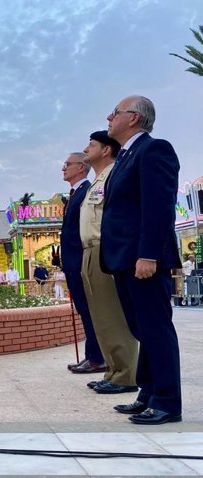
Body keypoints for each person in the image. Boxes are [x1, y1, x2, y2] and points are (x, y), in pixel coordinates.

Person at [102, 95, 182, 424]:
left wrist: (148, 254)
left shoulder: (153, 150)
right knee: (143, 330)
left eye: (115, 112)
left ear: (133, 118)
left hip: (143, 260)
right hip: (124, 260)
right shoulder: (126, 156)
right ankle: (148, 392)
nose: (109, 117)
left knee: (155, 329)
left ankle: (167, 402)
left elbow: (158, 206)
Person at [80, 130, 138, 395]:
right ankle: (113, 371)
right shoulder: (97, 180)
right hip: (89, 251)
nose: (85, 148)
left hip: (105, 248)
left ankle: (125, 375)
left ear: (105, 150)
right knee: (101, 317)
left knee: (113, 315)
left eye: (91, 144)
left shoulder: (114, 174)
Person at [60, 152, 106, 375]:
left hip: (81, 261)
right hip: (72, 262)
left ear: (80, 167)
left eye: (67, 164)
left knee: (89, 310)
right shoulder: (74, 193)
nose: (63, 168)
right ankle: (92, 355)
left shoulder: (87, 191)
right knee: (84, 309)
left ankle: (97, 358)